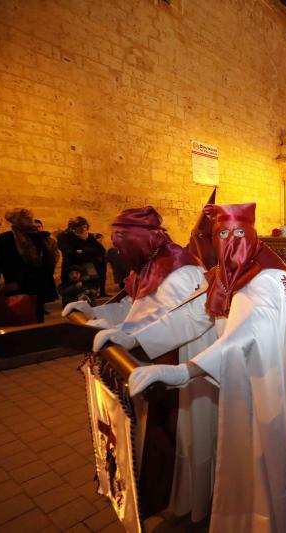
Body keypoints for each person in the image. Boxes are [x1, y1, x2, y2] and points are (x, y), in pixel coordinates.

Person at [126, 203, 286, 532]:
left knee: (268, 450)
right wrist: (132, 337)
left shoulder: (271, 277)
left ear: (253, 234)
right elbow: (194, 314)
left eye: (240, 232)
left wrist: (186, 371)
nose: (232, 240)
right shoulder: (225, 274)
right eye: (222, 234)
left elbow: (251, 331)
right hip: (238, 370)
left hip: (268, 377)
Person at [64, 206, 218, 522]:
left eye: (123, 243)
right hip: (155, 359)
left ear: (143, 240)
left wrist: (133, 338)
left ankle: (190, 499)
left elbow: (190, 320)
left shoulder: (180, 271)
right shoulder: (148, 265)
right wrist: (94, 313)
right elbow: (134, 306)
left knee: (183, 438)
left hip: (181, 363)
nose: (118, 251)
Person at [0, 209, 57, 322]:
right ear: (18, 220)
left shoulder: (36, 236)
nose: (31, 220)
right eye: (27, 218)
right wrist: (11, 281)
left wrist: (47, 272)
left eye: (31, 218)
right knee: (22, 313)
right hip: (20, 280)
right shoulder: (6, 237)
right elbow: (5, 262)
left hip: (37, 278)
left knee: (38, 312)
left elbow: (45, 256)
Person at [57, 216, 105, 291]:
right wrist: (89, 254)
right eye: (81, 227)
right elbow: (69, 252)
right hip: (73, 268)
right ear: (75, 227)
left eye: (85, 227)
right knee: (73, 291)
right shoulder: (66, 237)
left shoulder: (90, 237)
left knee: (91, 290)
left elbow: (101, 250)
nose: (83, 229)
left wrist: (83, 250)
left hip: (89, 267)